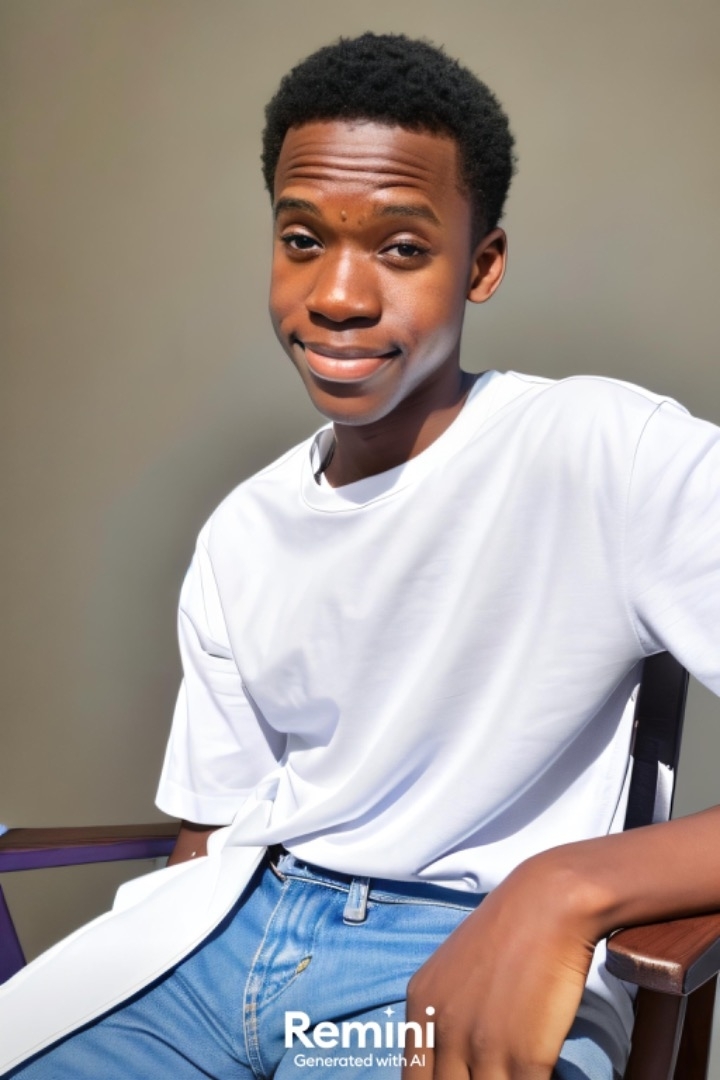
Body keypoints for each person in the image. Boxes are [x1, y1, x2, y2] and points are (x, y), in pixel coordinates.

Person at [3, 31, 720, 1080]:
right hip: (221, 939)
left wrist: (569, 887)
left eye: (401, 248)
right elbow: (210, 837)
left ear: (482, 265)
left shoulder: (610, 452)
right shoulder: (244, 530)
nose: (337, 295)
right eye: (302, 239)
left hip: (461, 951)